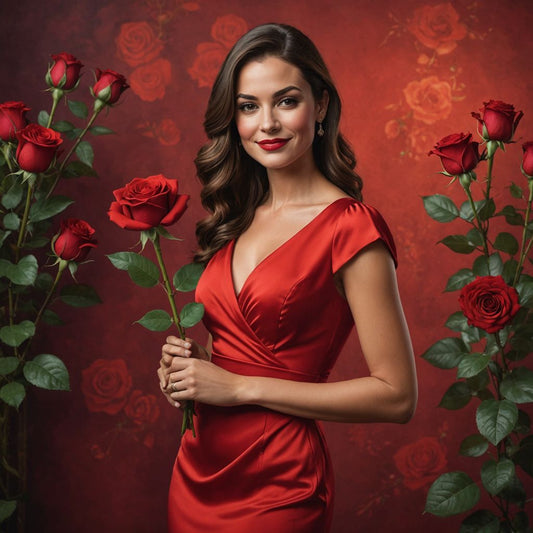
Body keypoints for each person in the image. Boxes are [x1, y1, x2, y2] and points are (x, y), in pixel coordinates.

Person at [158, 22, 417, 533]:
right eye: (248, 106)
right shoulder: (237, 216)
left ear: (320, 105)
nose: (267, 124)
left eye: (286, 101)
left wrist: (237, 389)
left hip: (280, 484)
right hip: (196, 471)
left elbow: (397, 396)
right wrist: (188, 376)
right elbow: (236, 353)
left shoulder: (351, 227)